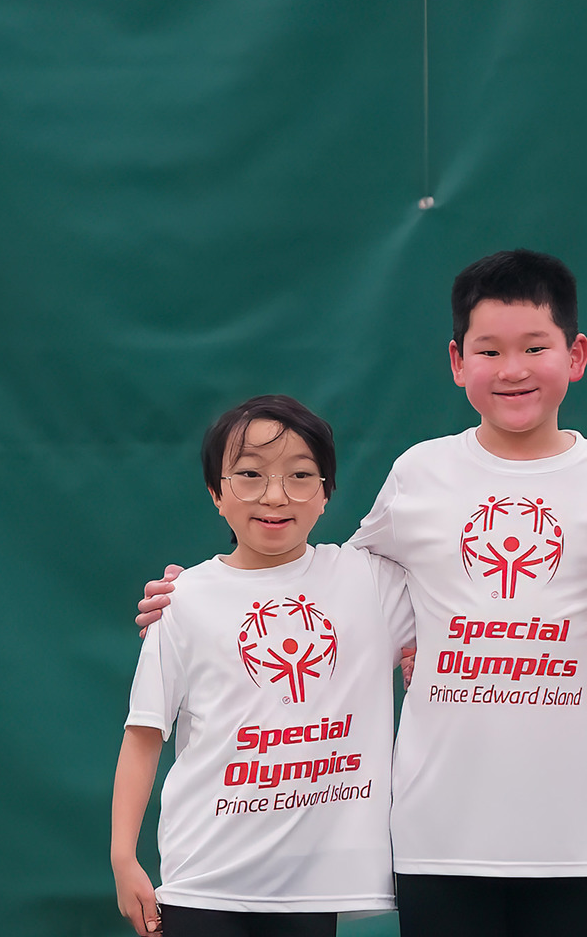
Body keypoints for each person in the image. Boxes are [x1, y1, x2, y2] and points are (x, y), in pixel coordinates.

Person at [138, 251, 587, 937]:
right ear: (457, 363)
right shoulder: (420, 476)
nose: (512, 370)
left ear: (575, 357)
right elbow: (327, 586)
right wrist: (207, 592)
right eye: (488, 350)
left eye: (535, 347)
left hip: (582, 846)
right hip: (437, 837)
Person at [111, 396, 412, 937]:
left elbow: (467, 610)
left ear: (327, 493)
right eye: (249, 475)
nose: (275, 496)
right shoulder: (183, 599)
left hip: (311, 887)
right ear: (215, 492)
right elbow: (144, 732)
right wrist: (122, 856)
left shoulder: (369, 584)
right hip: (203, 879)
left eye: (300, 476)